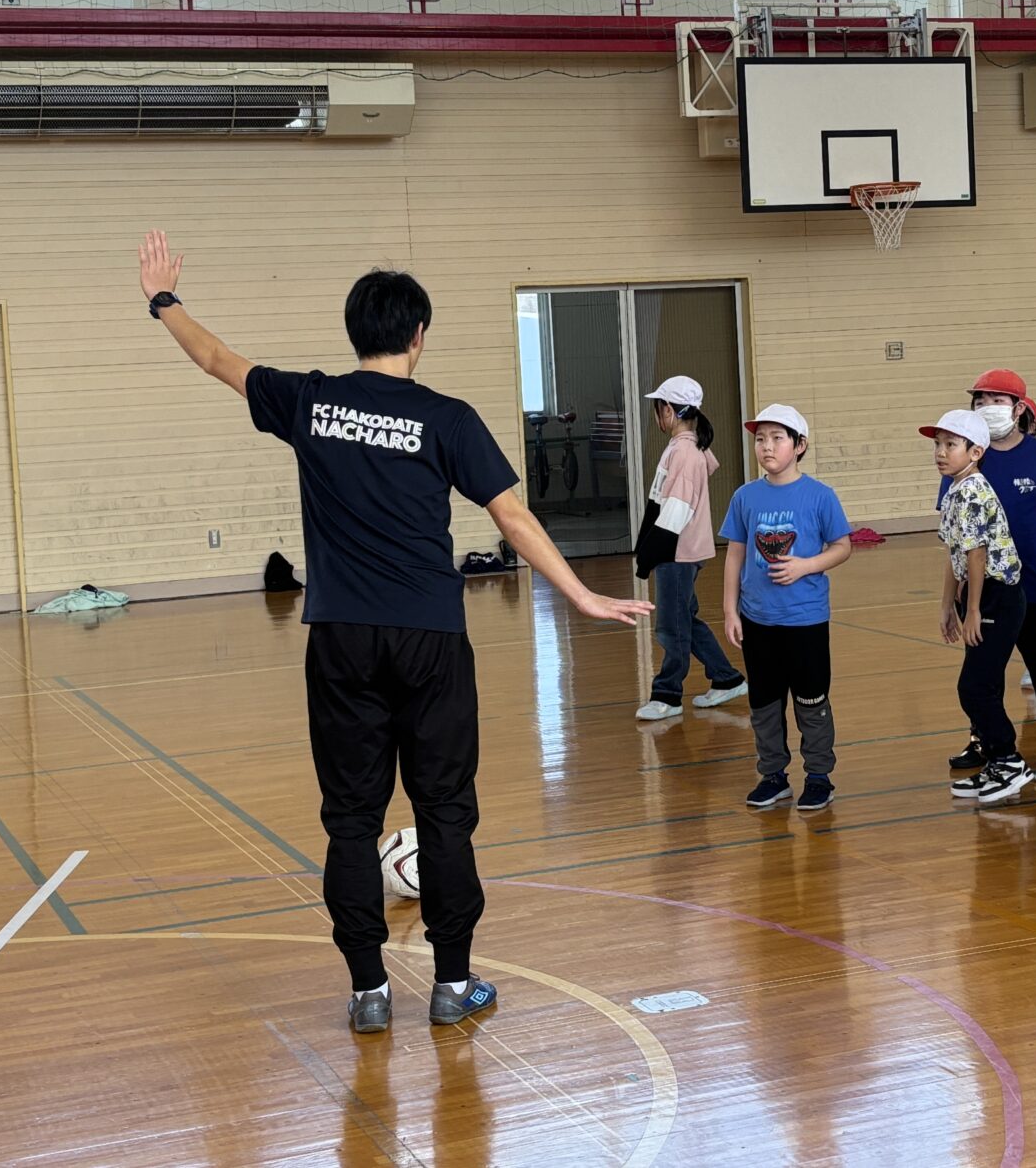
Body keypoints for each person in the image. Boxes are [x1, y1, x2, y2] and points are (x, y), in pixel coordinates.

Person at [135, 230, 651, 1035]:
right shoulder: (447, 418)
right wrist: (582, 594)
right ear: (419, 335)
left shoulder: (309, 400)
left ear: (355, 334)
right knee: (444, 809)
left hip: (339, 635)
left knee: (350, 818)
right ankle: (452, 983)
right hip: (428, 638)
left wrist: (163, 300)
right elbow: (510, 515)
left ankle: (368, 990)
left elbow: (216, 360)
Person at [719, 404, 853, 812]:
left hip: (805, 620)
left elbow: (842, 546)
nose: (766, 446)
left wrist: (806, 566)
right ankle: (773, 775)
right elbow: (735, 555)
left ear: (799, 445)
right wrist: (730, 609)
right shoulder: (745, 497)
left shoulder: (820, 496)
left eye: (777, 438)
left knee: (811, 702)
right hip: (758, 621)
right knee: (764, 703)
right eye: (760, 439)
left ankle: (818, 777)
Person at [938, 369, 1036, 775]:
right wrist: (953, 600)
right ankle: (987, 743)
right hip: (984, 593)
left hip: (1035, 587)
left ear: (1018, 408)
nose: (986, 408)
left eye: (995, 400)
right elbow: (959, 544)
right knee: (983, 675)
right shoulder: (964, 458)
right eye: (980, 400)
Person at [926, 408, 1034, 806]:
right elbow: (954, 552)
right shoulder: (955, 488)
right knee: (982, 684)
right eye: (938, 444)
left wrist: (972, 610)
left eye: (950, 445)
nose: (940, 452)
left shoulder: (972, 491)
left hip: (996, 597)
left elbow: (976, 554)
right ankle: (996, 760)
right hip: (979, 595)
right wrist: (945, 605)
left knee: (973, 687)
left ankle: (1008, 761)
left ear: (975, 451)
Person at [633, 376, 748, 721]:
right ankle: (727, 678)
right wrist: (645, 548)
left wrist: (652, 553)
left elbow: (675, 511)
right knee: (686, 619)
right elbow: (660, 502)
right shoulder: (684, 447)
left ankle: (667, 695)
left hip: (677, 553)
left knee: (670, 626)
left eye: (658, 407)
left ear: (667, 410)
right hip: (678, 552)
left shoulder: (684, 452)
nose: (657, 414)